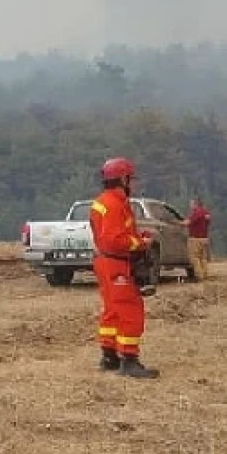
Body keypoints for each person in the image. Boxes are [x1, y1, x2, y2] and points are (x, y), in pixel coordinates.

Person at [90, 157, 159, 379]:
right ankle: (129, 360)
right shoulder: (113, 204)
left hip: (106, 262)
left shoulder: (107, 201)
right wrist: (140, 244)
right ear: (123, 179)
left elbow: (115, 235)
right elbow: (113, 240)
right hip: (115, 263)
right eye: (133, 178)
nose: (135, 183)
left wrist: (138, 236)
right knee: (130, 309)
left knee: (112, 309)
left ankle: (109, 356)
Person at [182, 197, 212, 281]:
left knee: (195, 258)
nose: (190, 205)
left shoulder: (196, 213)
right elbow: (207, 221)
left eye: (191, 204)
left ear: (196, 204)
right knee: (203, 258)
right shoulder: (206, 213)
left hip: (195, 239)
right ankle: (205, 274)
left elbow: (187, 223)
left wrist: (177, 223)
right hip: (205, 239)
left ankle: (199, 275)